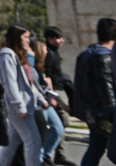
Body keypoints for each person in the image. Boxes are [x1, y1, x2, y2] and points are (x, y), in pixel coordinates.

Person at [0, 24, 46, 166]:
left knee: (12, 143)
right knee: (33, 142)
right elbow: (9, 83)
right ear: (16, 38)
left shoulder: (15, 55)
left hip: (21, 105)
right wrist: (20, 106)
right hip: (18, 107)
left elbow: (29, 83)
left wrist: (41, 99)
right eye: (25, 37)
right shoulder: (6, 55)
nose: (28, 41)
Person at [73, 17, 115, 166]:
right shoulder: (104, 57)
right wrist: (112, 109)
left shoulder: (86, 54)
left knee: (96, 148)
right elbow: (106, 86)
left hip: (93, 112)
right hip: (105, 113)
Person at [45, 26, 76, 166]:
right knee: (62, 121)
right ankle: (49, 153)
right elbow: (47, 76)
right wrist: (52, 96)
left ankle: (59, 154)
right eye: (58, 38)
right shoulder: (48, 53)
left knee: (61, 123)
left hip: (60, 88)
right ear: (50, 39)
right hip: (55, 91)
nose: (61, 41)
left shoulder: (55, 52)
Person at [31, 38, 65, 166]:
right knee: (42, 134)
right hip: (40, 104)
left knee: (58, 129)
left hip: (46, 102)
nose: (47, 51)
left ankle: (46, 156)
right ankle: (39, 160)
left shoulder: (41, 67)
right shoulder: (31, 66)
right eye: (45, 49)